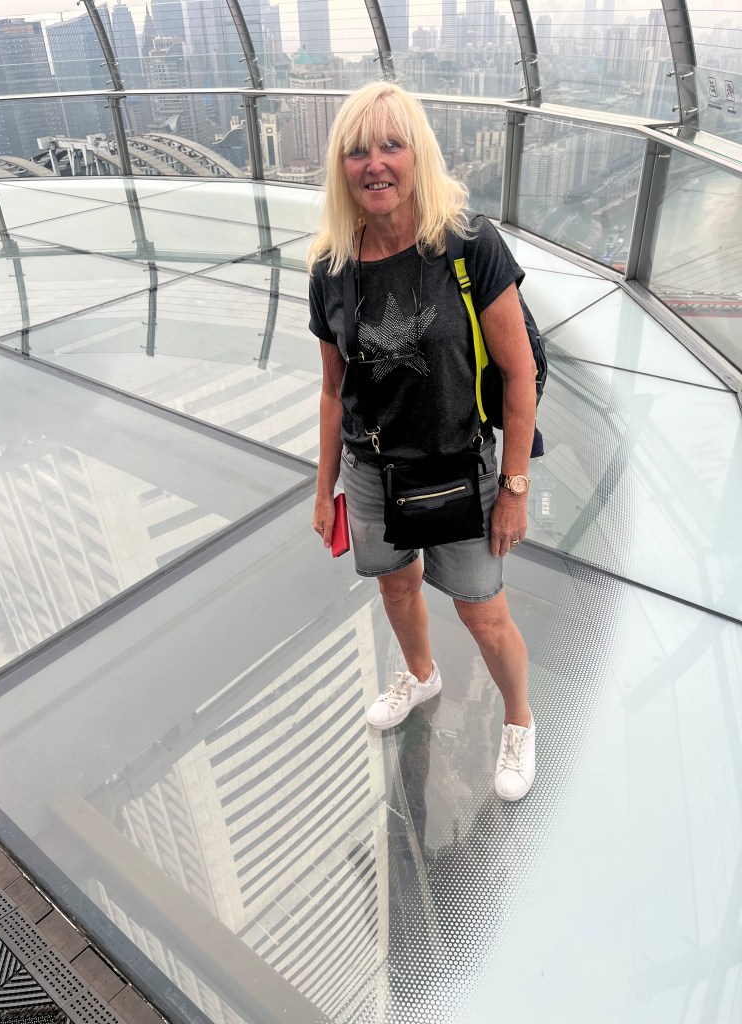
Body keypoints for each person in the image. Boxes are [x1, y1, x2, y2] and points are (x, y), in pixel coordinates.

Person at [307, 82, 537, 802]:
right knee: (396, 584)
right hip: (372, 468)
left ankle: (519, 720)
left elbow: (519, 371)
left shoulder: (467, 246)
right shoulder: (331, 268)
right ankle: (421, 674)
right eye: (357, 150)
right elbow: (332, 389)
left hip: (456, 464)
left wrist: (514, 488)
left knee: (482, 609)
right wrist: (324, 486)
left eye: (391, 145)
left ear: (418, 155)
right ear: (341, 167)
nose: (374, 164)